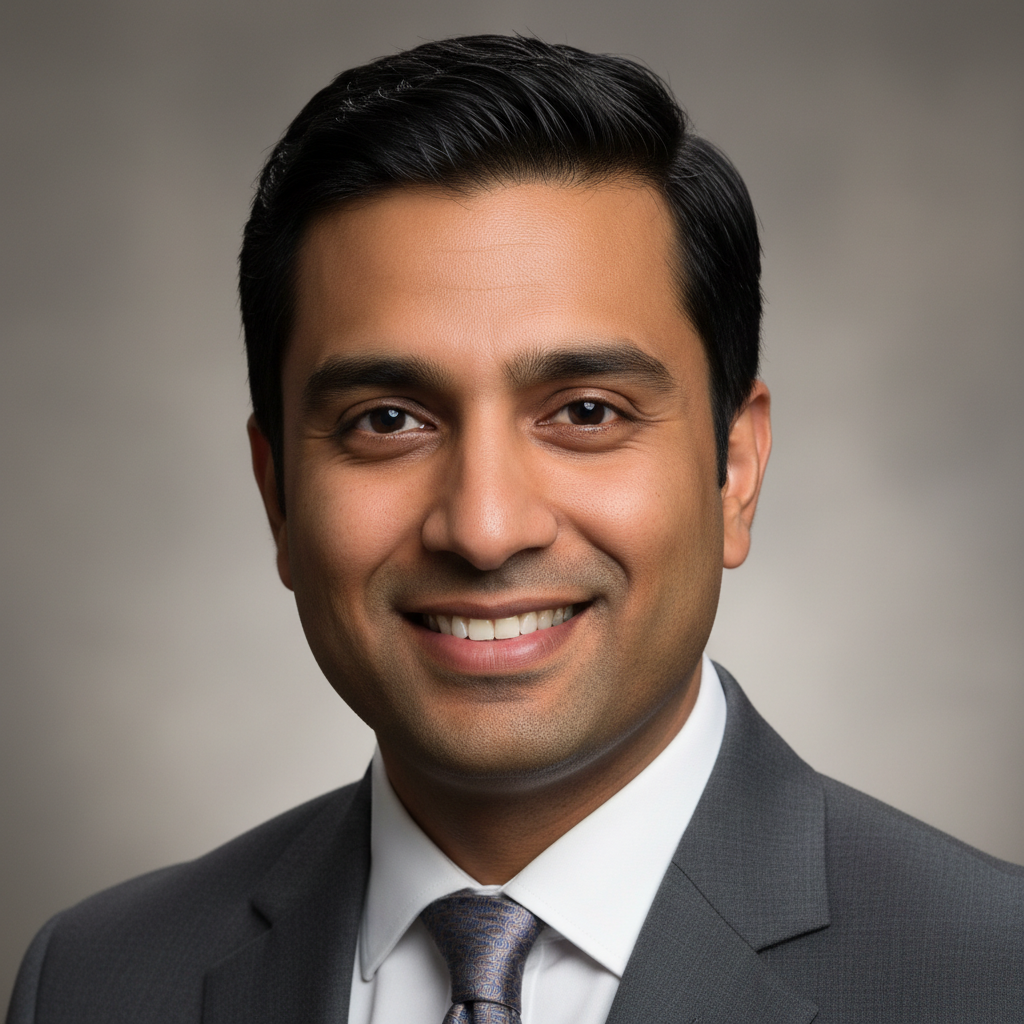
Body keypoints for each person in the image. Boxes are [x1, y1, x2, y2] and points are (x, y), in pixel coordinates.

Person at [7, 34, 1023, 1024]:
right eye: (387, 421)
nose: (485, 529)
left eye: (585, 411)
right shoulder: (94, 981)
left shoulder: (994, 977)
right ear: (276, 492)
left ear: (734, 471)